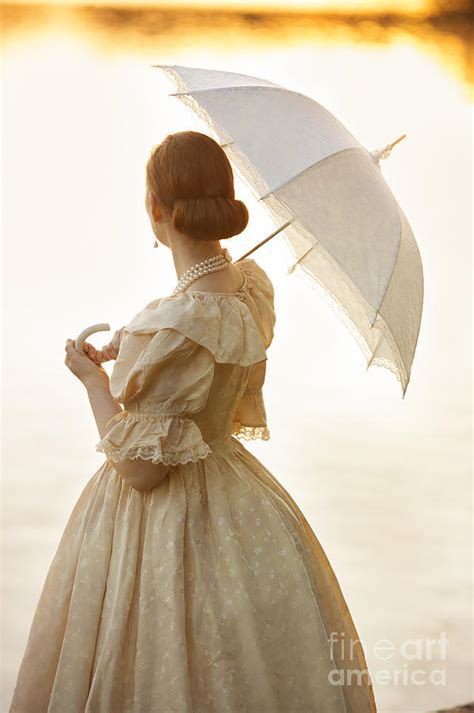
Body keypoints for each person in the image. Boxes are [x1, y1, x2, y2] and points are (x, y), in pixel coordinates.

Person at [9, 130, 377, 712]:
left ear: (157, 211)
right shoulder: (248, 291)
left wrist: (94, 383)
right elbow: (201, 375)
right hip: (235, 493)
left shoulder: (176, 322)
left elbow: (140, 470)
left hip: (159, 521)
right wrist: (138, 347)